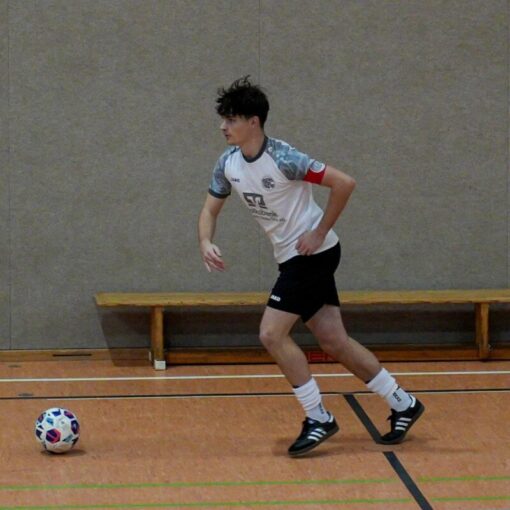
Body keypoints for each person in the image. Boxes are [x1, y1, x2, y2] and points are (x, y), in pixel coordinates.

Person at [198, 76, 424, 457]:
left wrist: (319, 232)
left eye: (231, 119)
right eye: (223, 119)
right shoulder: (228, 164)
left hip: (311, 256)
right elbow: (209, 209)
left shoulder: (285, 159)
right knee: (334, 341)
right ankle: (403, 402)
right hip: (292, 258)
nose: (223, 126)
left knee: (271, 334)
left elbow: (344, 183)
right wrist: (205, 240)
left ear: (254, 122)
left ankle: (318, 416)